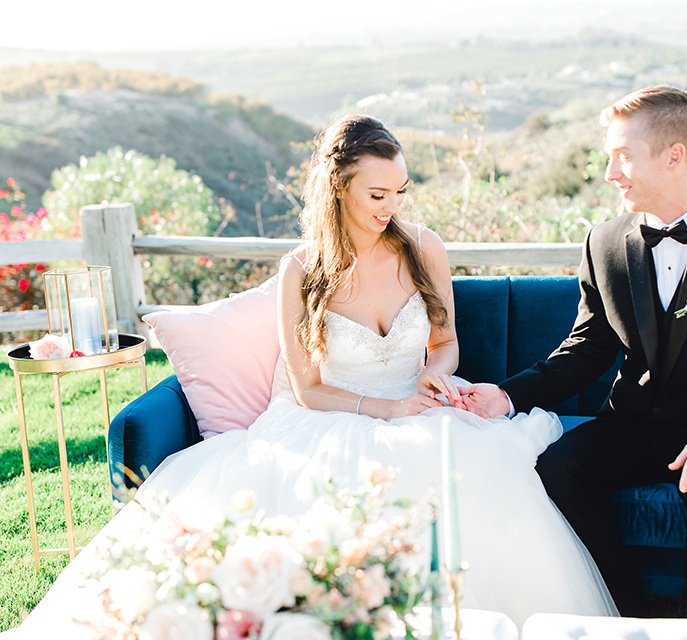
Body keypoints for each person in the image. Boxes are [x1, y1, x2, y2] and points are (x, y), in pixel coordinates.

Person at [4, 115, 615, 637]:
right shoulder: (301, 270)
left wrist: (431, 375)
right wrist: (387, 412)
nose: (393, 207)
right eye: (378, 195)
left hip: (420, 406)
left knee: (478, 474)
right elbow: (307, 388)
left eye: (400, 191)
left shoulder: (423, 247)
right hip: (328, 417)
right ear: (340, 189)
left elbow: (446, 342)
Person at [460, 86, 687, 620]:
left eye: (622, 155)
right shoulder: (603, 242)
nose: (609, 172)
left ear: (675, 156)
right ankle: (627, 616)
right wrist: (506, 396)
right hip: (631, 423)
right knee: (557, 469)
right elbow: (585, 350)